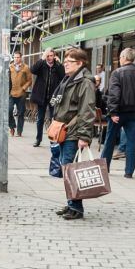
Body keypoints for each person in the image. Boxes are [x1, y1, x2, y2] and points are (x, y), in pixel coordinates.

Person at [50, 48, 96, 221]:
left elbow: (87, 110)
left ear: (80, 63)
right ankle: (71, 203)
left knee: (70, 169)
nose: (65, 63)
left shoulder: (85, 82)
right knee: (66, 168)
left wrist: (84, 136)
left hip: (74, 132)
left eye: (69, 61)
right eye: (65, 60)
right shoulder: (69, 79)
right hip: (64, 130)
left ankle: (76, 207)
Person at [101, 48, 135, 179]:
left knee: (110, 140)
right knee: (131, 141)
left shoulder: (117, 73)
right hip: (134, 113)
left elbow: (114, 94)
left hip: (119, 113)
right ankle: (129, 172)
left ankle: (104, 168)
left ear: (123, 57)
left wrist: (113, 112)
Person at [31, 48, 65, 146]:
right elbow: (33, 70)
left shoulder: (57, 65)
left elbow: (63, 76)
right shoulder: (42, 64)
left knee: (53, 118)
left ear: (54, 56)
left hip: (53, 96)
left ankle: (52, 139)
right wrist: (42, 59)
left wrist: (60, 64)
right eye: (48, 56)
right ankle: (38, 139)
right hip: (41, 96)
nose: (50, 58)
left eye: (51, 55)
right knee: (40, 119)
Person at [9, 51, 32, 136]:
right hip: (11, 93)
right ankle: (12, 126)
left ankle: (19, 131)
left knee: (21, 113)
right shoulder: (10, 67)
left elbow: (30, 80)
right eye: (15, 57)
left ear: (21, 58)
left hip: (21, 93)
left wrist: (24, 88)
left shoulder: (25, 67)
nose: (16, 59)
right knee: (9, 110)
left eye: (18, 57)